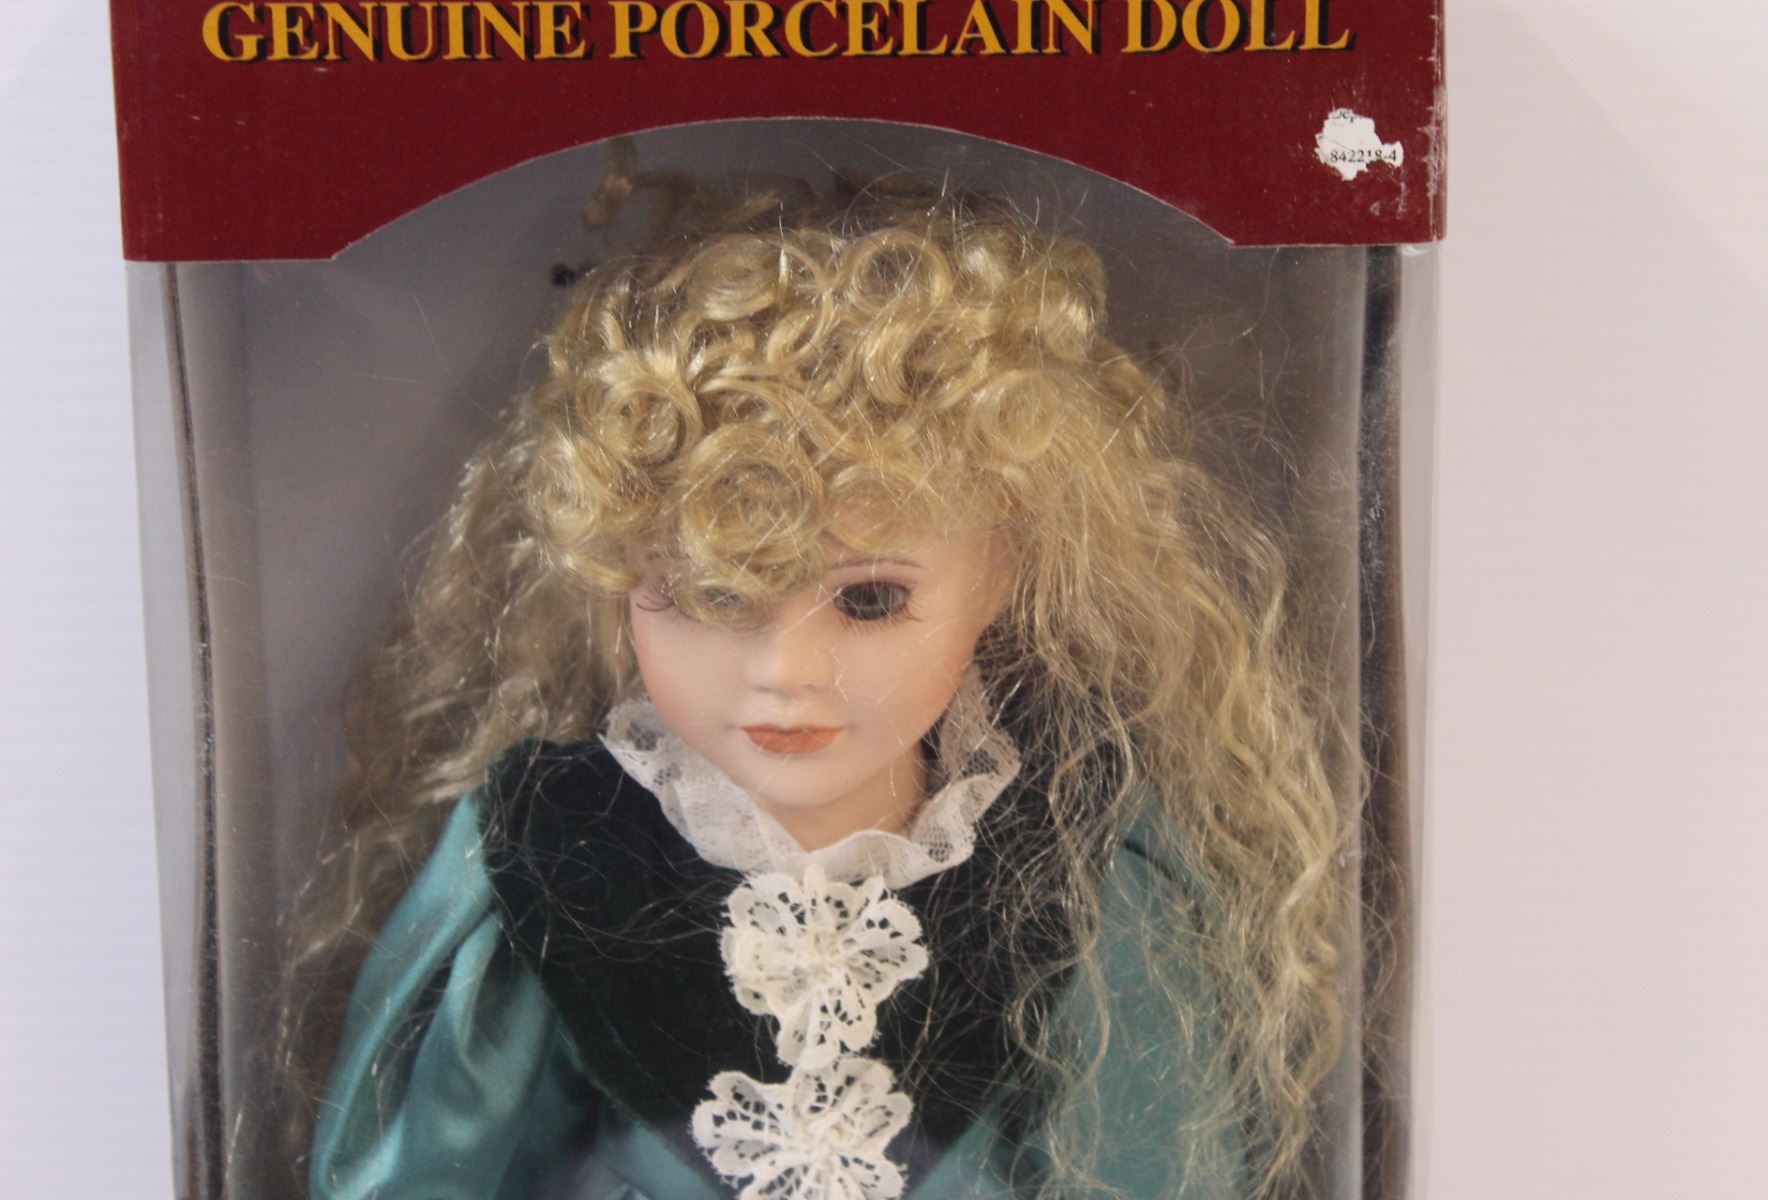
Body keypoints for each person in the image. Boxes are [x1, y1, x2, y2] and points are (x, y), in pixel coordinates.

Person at [288, 183, 1348, 1200]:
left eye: (871, 600)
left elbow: (1154, 1166)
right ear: (611, 580)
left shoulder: (1074, 853)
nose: (785, 673)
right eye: (711, 595)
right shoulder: (553, 852)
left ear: (1003, 573)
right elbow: (432, 1172)